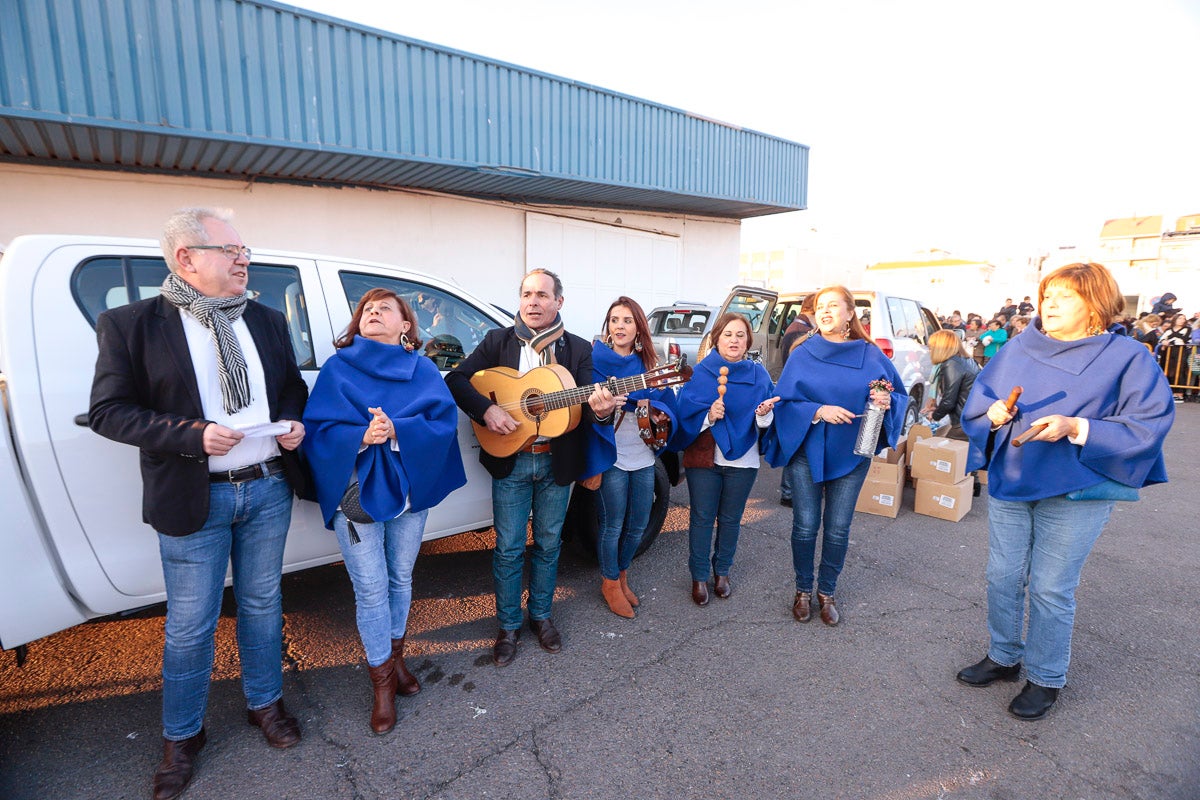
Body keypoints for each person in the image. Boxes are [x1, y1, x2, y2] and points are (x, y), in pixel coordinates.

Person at [88, 208, 309, 800]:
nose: (245, 259)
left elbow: (290, 385)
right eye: (231, 249)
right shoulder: (131, 324)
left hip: (266, 486)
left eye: (246, 250)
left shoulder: (262, 318)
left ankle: (264, 704)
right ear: (186, 258)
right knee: (191, 626)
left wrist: (293, 422)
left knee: (263, 603)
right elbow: (109, 412)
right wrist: (192, 435)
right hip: (193, 495)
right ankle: (182, 737)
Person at [956, 262, 1174, 721]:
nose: (1049, 304)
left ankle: (1045, 676)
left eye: (1064, 296)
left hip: (1077, 488)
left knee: (1052, 588)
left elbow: (1148, 421)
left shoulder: (1127, 356)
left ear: (1094, 304)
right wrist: (991, 414)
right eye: (1047, 294)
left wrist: (1078, 426)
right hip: (1012, 478)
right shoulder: (1018, 347)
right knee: (1002, 576)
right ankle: (1003, 655)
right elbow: (979, 401)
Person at [302, 289, 466, 734]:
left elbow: (442, 424)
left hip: (410, 493)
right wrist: (361, 436)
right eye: (366, 310)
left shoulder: (423, 368)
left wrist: (397, 431)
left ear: (405, 326)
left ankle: (396, 663)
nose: (372, 313)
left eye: (383, 309)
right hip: (354, 495)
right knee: (371, 589)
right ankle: (381, 684)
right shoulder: (338, 369)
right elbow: (317, 432)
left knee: (400, 578)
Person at [445, 269, 618, 666]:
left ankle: (540, 616)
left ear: (559, 302)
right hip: (511, 459)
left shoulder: (578, 350)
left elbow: (592, 411)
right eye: (527, 294)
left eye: (542, 295)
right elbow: (457, 380)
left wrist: (604, 411)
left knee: (549, 544)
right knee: (507, 548)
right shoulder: (498, 341)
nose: (533, 302)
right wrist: (486, 409)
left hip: (557, 464)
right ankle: (508, 625)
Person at [763, 286, 907, 627]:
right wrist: (819, 411)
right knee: (805, 526)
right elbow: (784, 403)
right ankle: (802, 591)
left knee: (838, 529)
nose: (826, 312)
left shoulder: (871, 355)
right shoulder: (802, 352)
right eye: (821, 307)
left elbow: (897, 395)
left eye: (833, 306)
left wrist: (887, 403)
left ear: (850, 314)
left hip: (853, 452)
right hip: (806, 450)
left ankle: (827, 592)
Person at [581, 297, 680, 618]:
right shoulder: (592, 360)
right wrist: (603, 409)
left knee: (638, 525)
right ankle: (609, 583)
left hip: (643, 457)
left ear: (638, 327)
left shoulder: (650, 365)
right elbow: (578, 409)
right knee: (612, 525)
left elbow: (669, 407)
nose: (619, 326)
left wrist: (649, 409)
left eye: (626, 320)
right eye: (614, 320)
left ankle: (622, 576)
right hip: (611, 457)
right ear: (607, 326)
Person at [670, 313, 777, 606]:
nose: (734, 340)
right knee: (702, 518)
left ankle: (723, 572)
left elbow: (769, 419)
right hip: (705, 459)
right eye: (728, 334)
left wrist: (764, 414)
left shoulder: (760, 376)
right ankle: (699, 576)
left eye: (740, 335)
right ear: (716, 338)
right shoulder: (702, 372)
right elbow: (683, 413)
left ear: (748, 342)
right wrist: (707, 416)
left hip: (743, 460)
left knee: (730, 519)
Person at [779, 294, 817, 507]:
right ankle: (789, 492)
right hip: (799, 393)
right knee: (796, 444)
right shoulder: (801, 332)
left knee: (795, 443)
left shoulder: (795, 328)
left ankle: (789, 491)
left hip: (796, 391)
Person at [921, 329, 979, 441]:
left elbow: (949, 401)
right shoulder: (967, 360)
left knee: (942, 452)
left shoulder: (951, 364)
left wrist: (935, 415)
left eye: (932, 347)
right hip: (972, 418)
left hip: (964, 422)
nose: (930, 350)